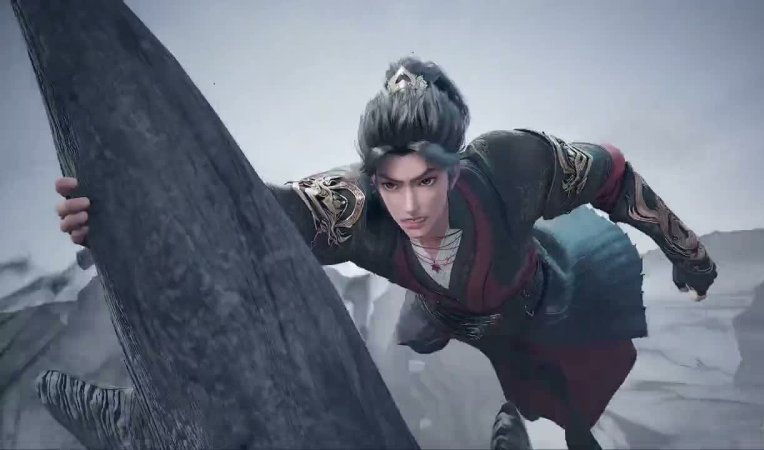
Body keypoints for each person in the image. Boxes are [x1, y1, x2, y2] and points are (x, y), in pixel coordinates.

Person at [55, 56, 717, 448]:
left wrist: (687, 252)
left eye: (426, 181)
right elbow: (250, 212)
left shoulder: (511, 166)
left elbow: (613, 175)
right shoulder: (355, 207)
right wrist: (112, 212)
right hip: (446, 315)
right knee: (460, 360)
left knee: (575, 385)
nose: (409, 207)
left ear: (455, 166)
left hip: (541, 291)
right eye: (391, 184)